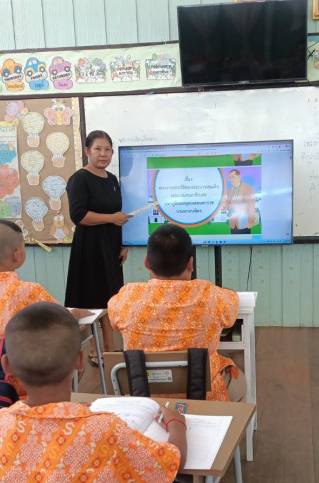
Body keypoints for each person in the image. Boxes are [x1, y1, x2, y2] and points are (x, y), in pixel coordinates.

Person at [0, 303, 187, 483]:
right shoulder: (104, 429)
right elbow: (173, 465)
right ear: (80, 360)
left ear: (7, 365)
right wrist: (177, 422)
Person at [108, 224, 246, 402]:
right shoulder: (212, 296)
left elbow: (113, 320)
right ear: (191, 264)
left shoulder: (126, 298)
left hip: (143, 398)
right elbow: (232, 306)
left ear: (147, 262)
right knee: (240, 379)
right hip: (204, 395)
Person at [65, 130, 128, 365]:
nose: (103, 154)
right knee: (92, 298)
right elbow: (79, 215)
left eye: (107, 149)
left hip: (110, 247)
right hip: (89, 248)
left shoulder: (111, 179)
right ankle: (94, 349)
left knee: (109, 298)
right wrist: (111, 218)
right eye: (98, 149)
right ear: (87, 151)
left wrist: (123, 244)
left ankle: (110, 346)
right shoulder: (79, 179)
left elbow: (119, 213)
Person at [0, 220, 91, 337]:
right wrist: (77, 313)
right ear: (17, 254)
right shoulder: (29, 290)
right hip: (22, 352)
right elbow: (61, 317)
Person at [221, 169, 257, 234]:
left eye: (233, 177)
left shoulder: (248, 188)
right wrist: (223, 206)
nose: (231, 179)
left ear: (239, 176)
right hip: (233, 224)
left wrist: (250, 223)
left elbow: (251, 207)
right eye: (230, 178)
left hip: (245, 224)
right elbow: (227, 204)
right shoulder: (229, 191)